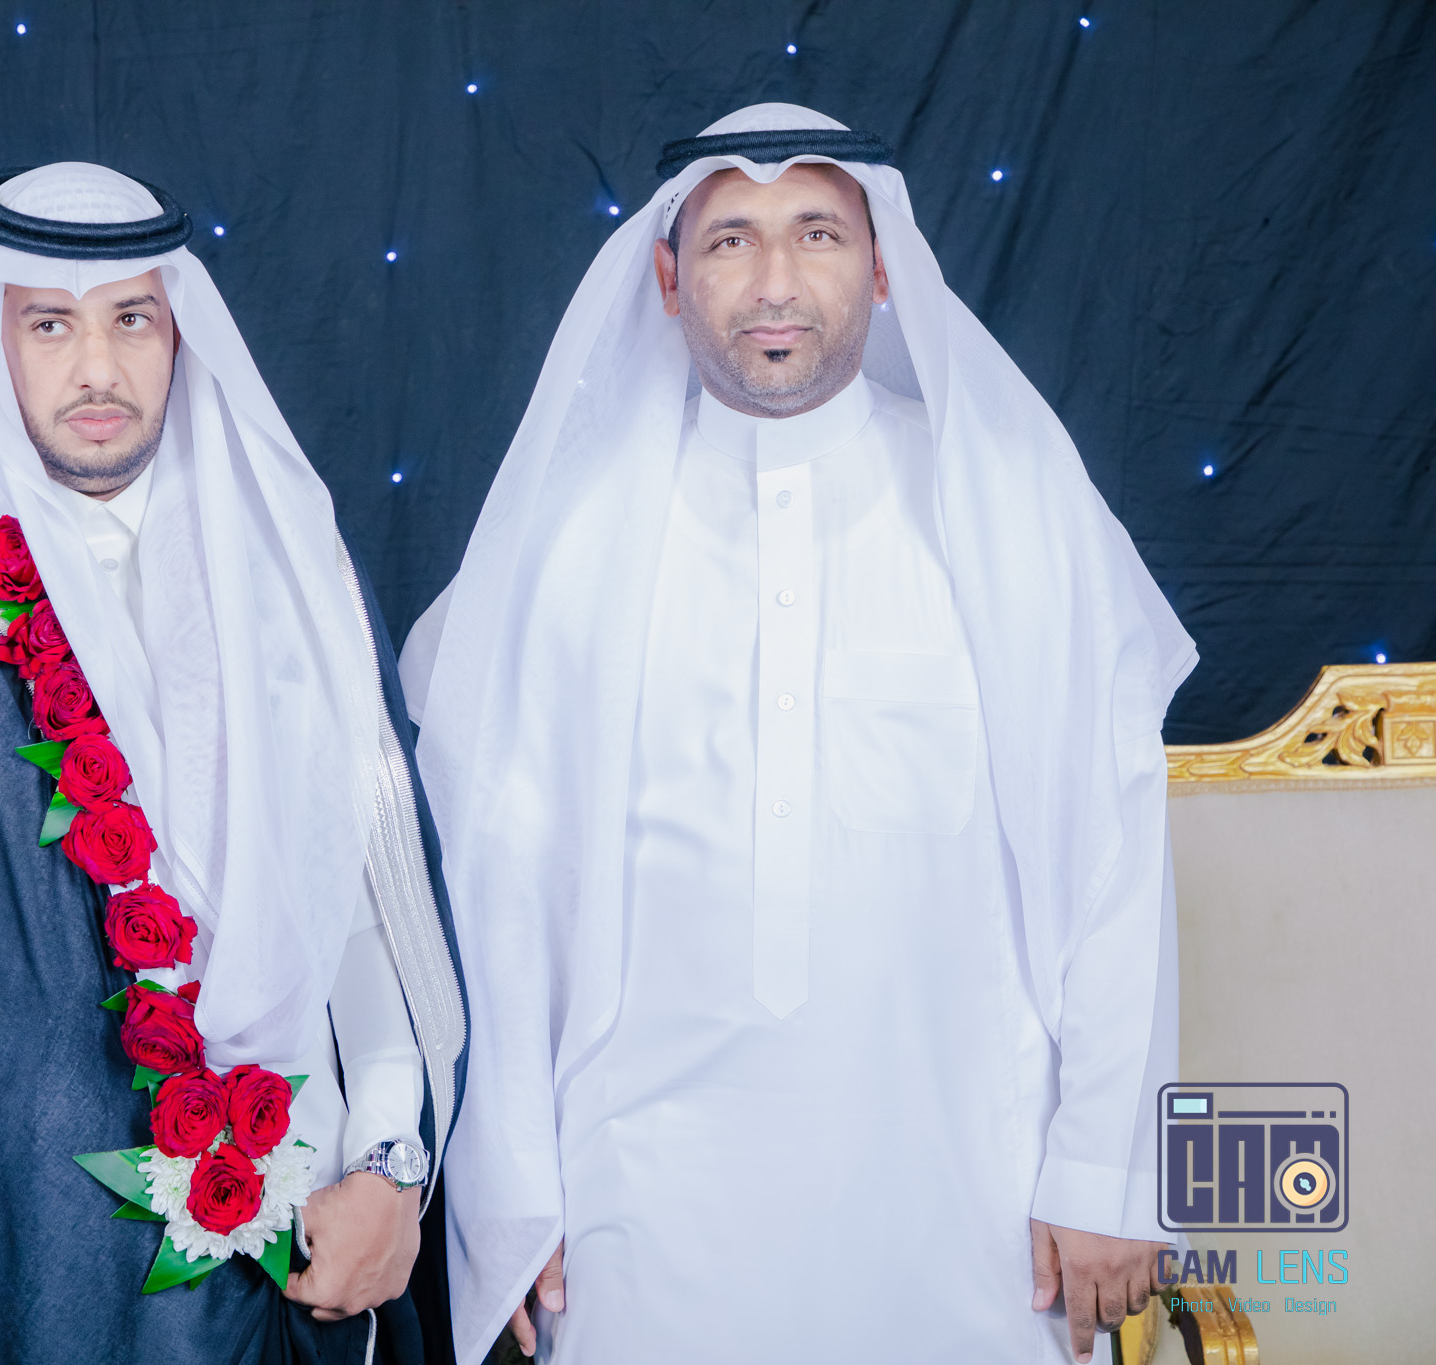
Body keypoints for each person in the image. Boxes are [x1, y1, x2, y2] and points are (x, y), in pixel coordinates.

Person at [401, 104, 1191, 1363]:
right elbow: (500, 885)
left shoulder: (1003, 503)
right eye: (730, 241)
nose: (774, 281)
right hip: (636, 1203)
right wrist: (507, 1193)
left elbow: (1111, 851)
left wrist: (1105, 1166)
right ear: (668, 280)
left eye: (816, 233)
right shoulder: (575, 536)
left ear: (880, 271)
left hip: (971, 1194)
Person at [0, 162, 466, 1365]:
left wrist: (390, 1167)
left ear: (181, 335)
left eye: (131, 319)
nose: (96, 370)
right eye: (49, 325)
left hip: (293, 1247)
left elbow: (377, 916)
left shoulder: (292, 571)